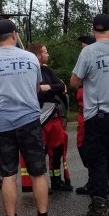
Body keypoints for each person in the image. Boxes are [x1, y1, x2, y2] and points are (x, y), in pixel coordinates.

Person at [0, 19, 51, 216]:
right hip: (29, 120)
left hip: (3, 123)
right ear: (14, 34)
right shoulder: (29, 57)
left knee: (8, 175)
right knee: (38, 172)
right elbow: (37, 88)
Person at [69, 13, 109, 216]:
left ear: (94, 31)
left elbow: (74, 82)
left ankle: (98, 210)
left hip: (98, 112)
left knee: (97, 160)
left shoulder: (88, 52)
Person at [28, 41, 73, 192]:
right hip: (38, 118)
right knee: (41, 152)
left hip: (53, 117)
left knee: (57, 150)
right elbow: (35, 92)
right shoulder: (29, 71)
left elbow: (61, 86)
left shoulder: (46, 70)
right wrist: (50, 90)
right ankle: (40, 185)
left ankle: (56, 181)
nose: (48, 54)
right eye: (45, 52)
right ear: (38, 55)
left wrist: (48, 87)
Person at [73, 34, 95, 195]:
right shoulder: (84, 62)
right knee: (82, 145)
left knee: (90, 147)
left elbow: (74, 81)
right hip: (83, 113)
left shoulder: (92, 61)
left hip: (91, 113)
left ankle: (96, 181)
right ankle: (93, 179)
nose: (81, 49)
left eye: (83, 46)